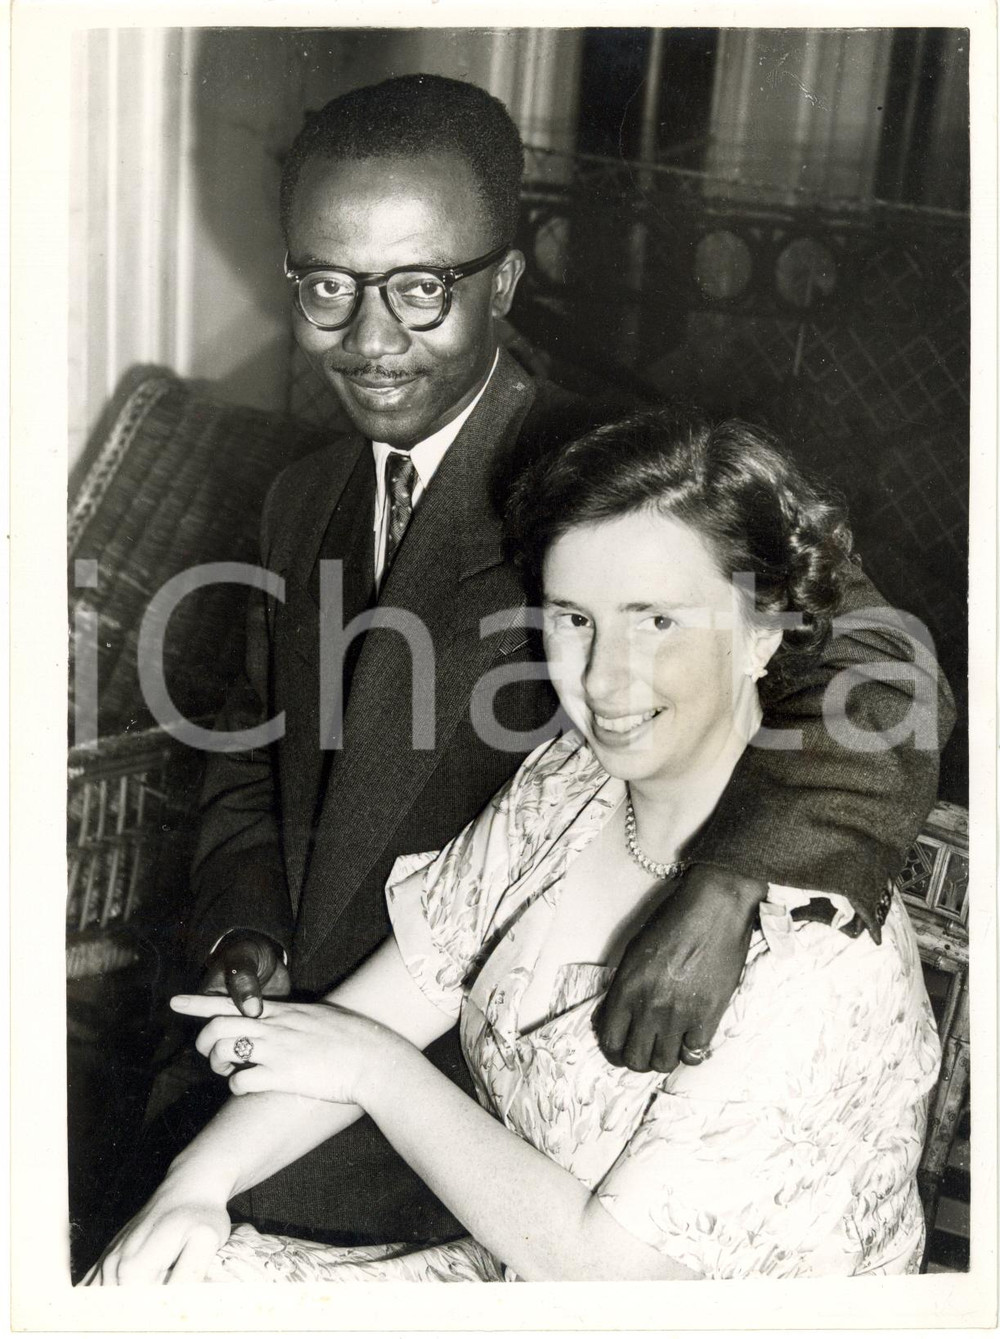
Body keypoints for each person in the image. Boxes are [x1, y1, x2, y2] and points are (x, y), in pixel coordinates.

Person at [148, 73, 951, 1248]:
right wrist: (242, 926)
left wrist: (728, 883)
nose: (370, 341)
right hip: (282, 1064)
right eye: (327, 286)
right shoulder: (299, 496)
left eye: (423, 288)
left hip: (486, 1139)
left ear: (504, 284)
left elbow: (885, 675)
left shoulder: (620, 477)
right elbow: (247, 755)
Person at [89, 411, 941, 1284]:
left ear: (763, 630)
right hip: (519, 1273)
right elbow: (397, 998)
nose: (603, 677)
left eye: (656, 622)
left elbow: (616, 1276)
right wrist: (193, 1182)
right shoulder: (571, 783)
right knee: (155, 1278)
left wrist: (375, 1072)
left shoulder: (816, 955)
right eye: (575, 617)